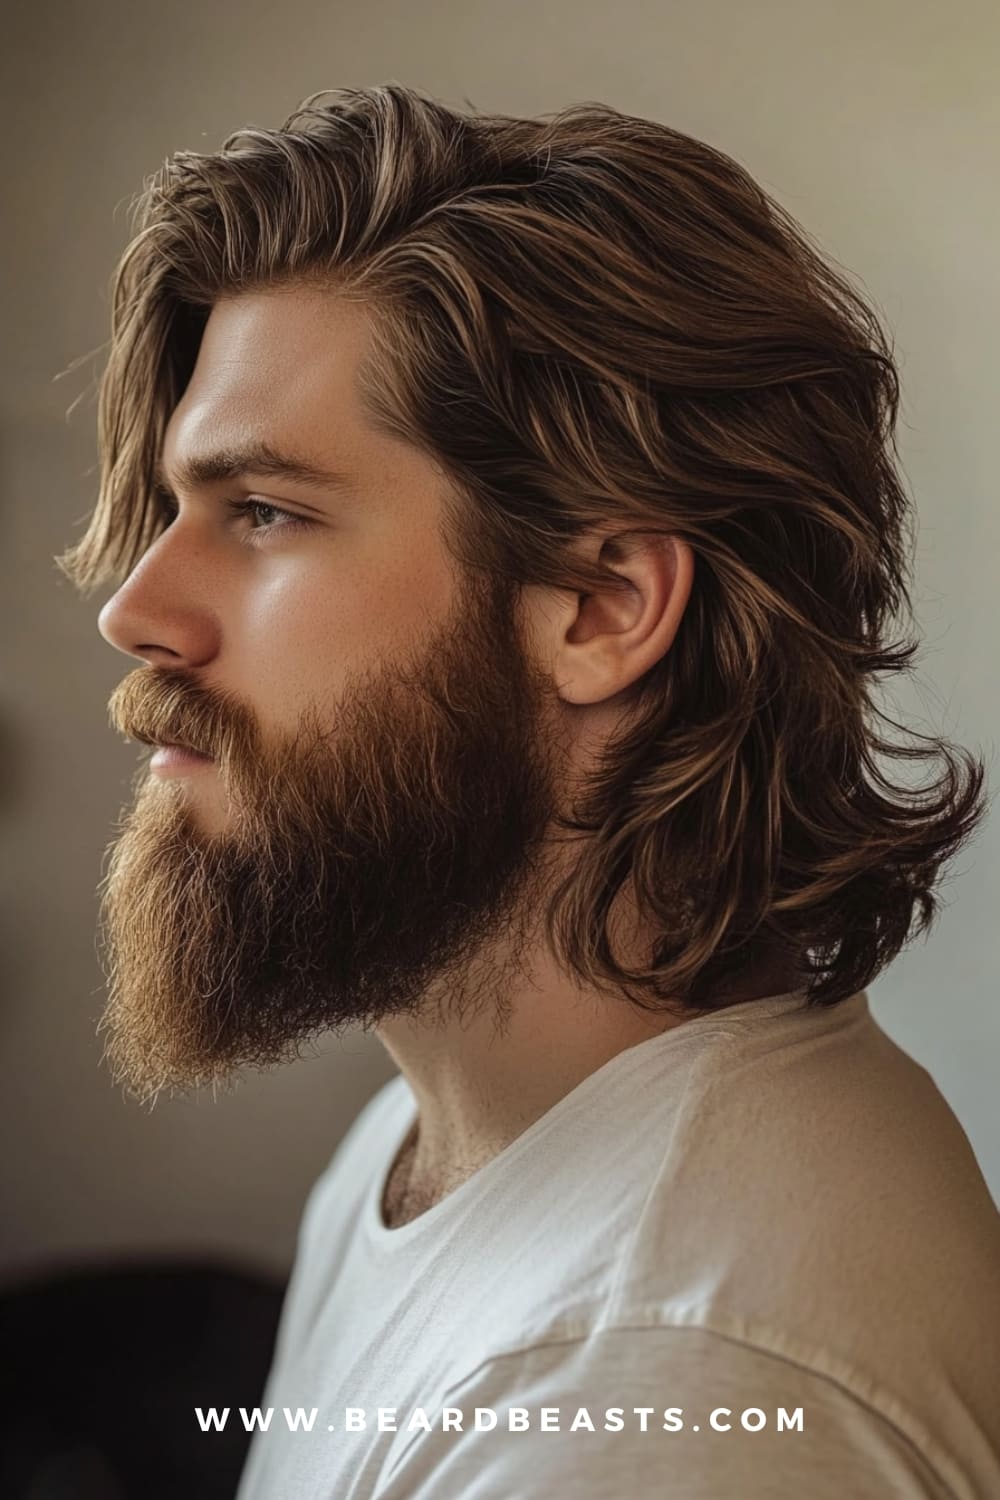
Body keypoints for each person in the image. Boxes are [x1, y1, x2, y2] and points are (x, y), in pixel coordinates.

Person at [57, 84, 999, 1498]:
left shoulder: (661, 1399)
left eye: (265, 512)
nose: (137, 609)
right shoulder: (445, 1126)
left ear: (601, 605)